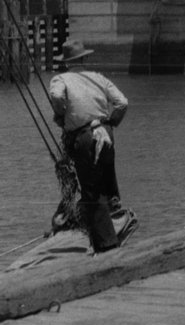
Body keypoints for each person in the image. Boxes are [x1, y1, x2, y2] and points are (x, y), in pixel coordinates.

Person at [46, 41, 134, 251]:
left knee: (91, 192)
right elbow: (123, 102)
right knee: (107, 187)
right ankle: (109, 233)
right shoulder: (99, 78)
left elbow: (57, 96)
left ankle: (106, 246)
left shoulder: (61, 79)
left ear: (66, 63)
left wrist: (60, 113)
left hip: (84, 138)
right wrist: (111, 122)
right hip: (106, 135)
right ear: (84, 59)